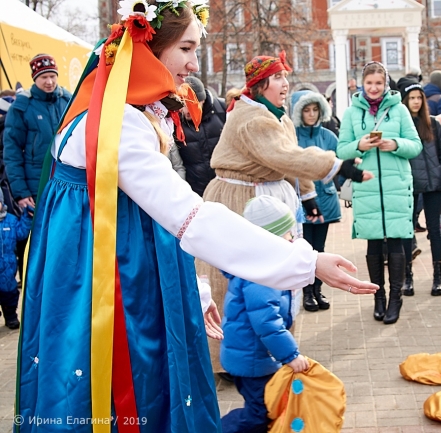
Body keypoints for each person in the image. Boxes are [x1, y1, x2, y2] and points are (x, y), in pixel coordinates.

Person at [15, 2, 376, 431]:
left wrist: (195, 288)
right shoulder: (118, 125)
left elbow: (155, 218)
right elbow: (189, 217)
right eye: (185, 48)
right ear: (149, 49)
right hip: (106, 288)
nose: (192, 63)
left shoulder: (117, 113)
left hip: (113, 271)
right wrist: (305, 262)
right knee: (119, 394)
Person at [198, 52, 367, 376]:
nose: (285, 84)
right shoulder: (251, 118)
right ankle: (229, 359)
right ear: (260, 85)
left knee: (273, 276)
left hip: (269, 196)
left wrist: (308, 196)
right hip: (242, 198)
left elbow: (288, 158)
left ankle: (269, 347)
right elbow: (284, 155)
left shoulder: (278, 116)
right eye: (278, 78)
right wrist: (334, 165)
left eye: (285, 77)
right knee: (236, 281)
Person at [337, 61, 422, 325]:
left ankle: (396, 298)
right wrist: (360, 145)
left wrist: (394, 144)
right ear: (362, 84)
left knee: (396, 240)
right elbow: (341, 150)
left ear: (386, 84)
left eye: (378, 83)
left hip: (396, 183)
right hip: (367, 183)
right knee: (373, 242)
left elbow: (415, 145)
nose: (374, 88)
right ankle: (379, 296)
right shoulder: (352, 113)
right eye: (369, 83)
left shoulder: (400, 110)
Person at [220, 195, 309, 433]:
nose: (292, 238)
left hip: (256, 358)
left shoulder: (262, 266)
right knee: (260, 413)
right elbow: (267, 322)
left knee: (265, 408)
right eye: (287, 234)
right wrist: (290, 355)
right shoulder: (260, 276)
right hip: (252, 361)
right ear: (270, 239)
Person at [3, 53, 72, 285]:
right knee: (36, 242)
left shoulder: (68, 100)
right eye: (44, 77)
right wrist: (21, 194)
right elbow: (12, 154)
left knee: (63, 238)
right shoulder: (22, 108)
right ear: (35, 78)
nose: (49, 82)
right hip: (35, 187)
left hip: (65, 182)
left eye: (52, 76)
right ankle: (34, 287)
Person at [291, 90, 351, 311]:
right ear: (298, 112)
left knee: (320, 248)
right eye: (306, 110)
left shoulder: (328, 136)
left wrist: (350, 190)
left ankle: (318, 290)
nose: (311, 114)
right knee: (304, 249)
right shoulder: (292, 136)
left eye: (315, 109)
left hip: (325, 200)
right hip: (302, 202)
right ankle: (306, 293)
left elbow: (340, 167)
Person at [396, 78, 441, 297]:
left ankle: (438, 276)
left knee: (434, 230)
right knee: (407, 231)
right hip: (410, 185)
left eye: (419, 98)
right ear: (405, 101)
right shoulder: (401, 126)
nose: (416, 102)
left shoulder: (433, 124)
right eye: (412, 98)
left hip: (434, 185)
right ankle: (408, 277)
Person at [176, 76, 226, 196]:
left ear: (202, 101)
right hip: (195, 193)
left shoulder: (222, 109)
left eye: (193, 105)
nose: (187, 110)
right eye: (184, 104)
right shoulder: (174, 120)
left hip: (223, 187)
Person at [0, 189, 31, 329]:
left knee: (10, 295)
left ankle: (11, 316)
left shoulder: (11, 220)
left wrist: (27, 218)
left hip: (8, 269)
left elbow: (22, 233)